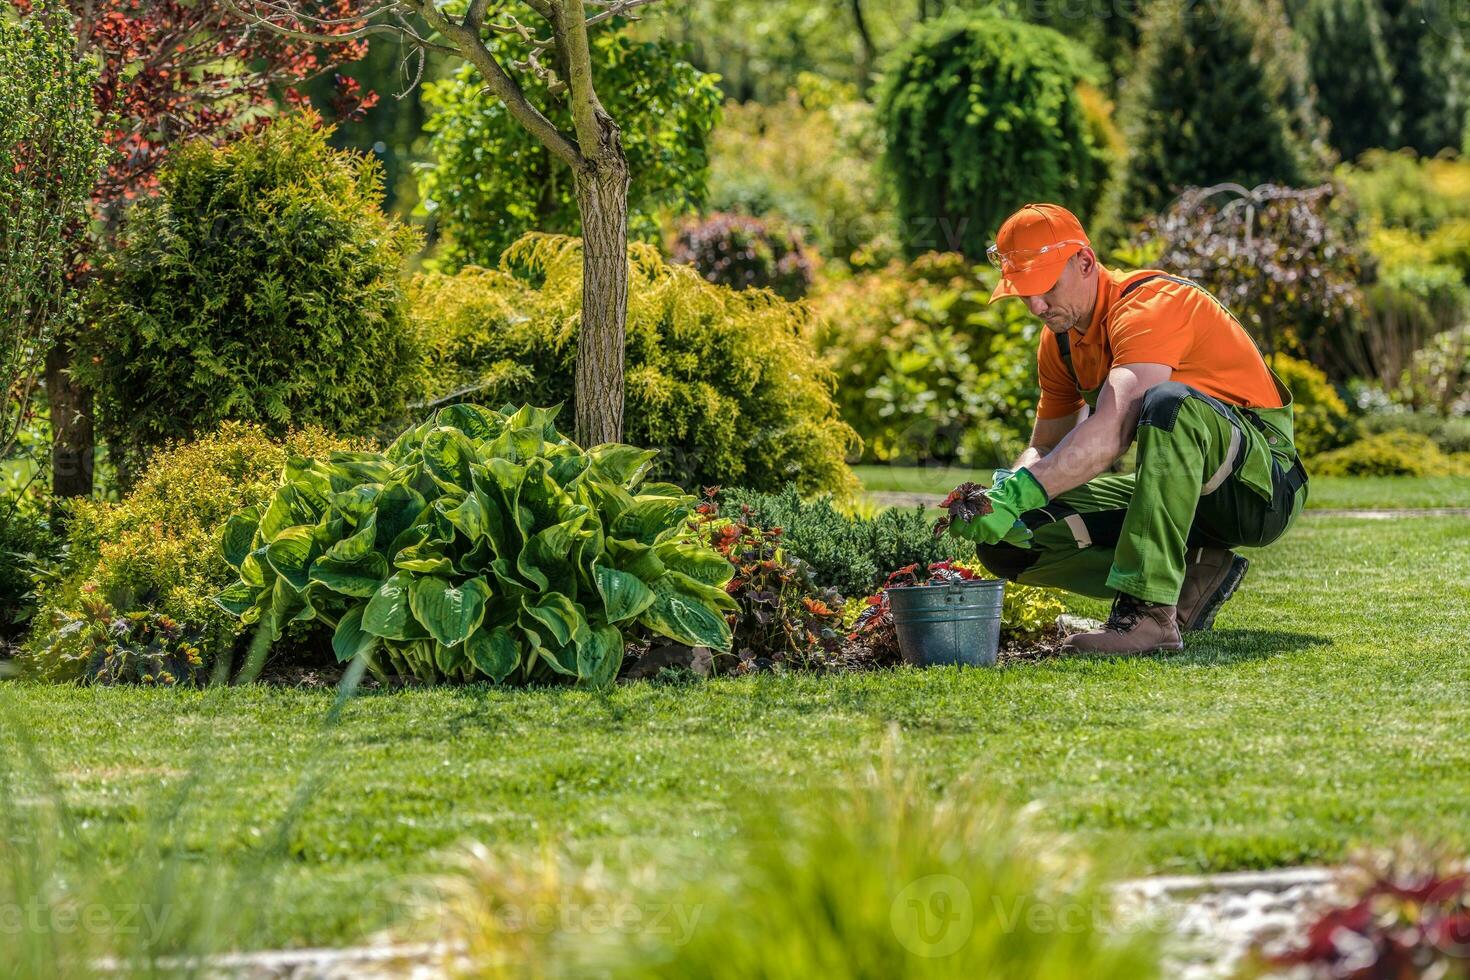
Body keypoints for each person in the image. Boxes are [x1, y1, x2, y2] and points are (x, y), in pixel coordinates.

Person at [947, 203, 1308, 654]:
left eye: (1045, 287)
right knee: (1013, 543)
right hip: (1180, 491)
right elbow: (1045, 447)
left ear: (1084, 262)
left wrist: (1022, 491)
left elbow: (1114, 428)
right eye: (1023, 293)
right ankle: (1195, 576)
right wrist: (1001, 499)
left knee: (1167, 403)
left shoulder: (1149, 306)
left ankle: (1150, 614)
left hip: (1261, 489)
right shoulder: (1059, 341)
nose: (1036, 305)